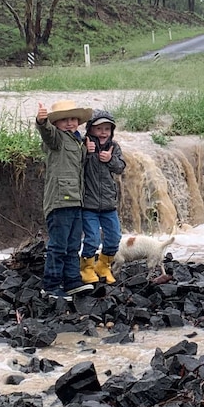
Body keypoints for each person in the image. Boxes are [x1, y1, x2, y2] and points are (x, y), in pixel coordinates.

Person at [35, 99, 95, 300]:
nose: (69, 123)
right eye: (64, 120)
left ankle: (72, 281)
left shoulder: (78, 142)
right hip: (60, 200)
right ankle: (51, 285)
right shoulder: (57, 139)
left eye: (73, 119)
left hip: (76, 200)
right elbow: (47, 134)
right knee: (58, 245)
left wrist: (88, 149)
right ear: (56, 123)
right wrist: (41, 122)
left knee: (73, 244)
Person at [81, 109, 126, 284]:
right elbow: (74, 165)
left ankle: (103, 266)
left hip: (109, 204)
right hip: (88, 204)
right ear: (90, 129)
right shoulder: (84, 144)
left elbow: (121, 167)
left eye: (107, 129)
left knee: (114, 237)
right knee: (91, 238)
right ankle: (87, 269)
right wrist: (85, 152)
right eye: (99, 129)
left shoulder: (114, 147)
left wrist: (110, 160)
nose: (103, 133)